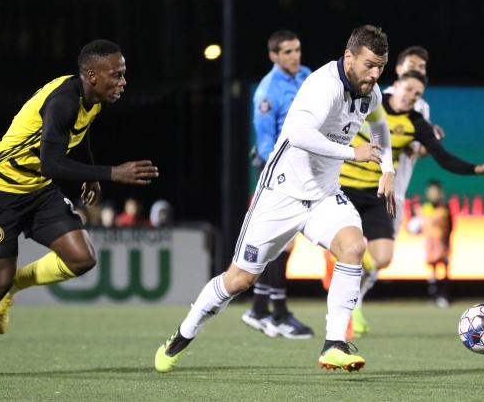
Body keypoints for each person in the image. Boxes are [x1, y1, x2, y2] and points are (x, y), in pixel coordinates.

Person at [155, 25, 396, 373]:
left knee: (354, 246)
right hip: (281, 193)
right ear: (349, 57)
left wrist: (387, 168)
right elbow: (298, 135)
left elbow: (380, 125)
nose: (375, 75)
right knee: (239, 280)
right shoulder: (322, 84)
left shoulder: (369, 93)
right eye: (370, 65)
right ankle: (183, 335)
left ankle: (334, 344)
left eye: (381, 67)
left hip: (324, 196)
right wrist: (351, 153)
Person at [0, 39, 159, 358]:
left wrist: (89, 171)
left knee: (82, 258)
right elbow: (51, 162)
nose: (123, 82)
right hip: (0, 187)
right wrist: (110, 173)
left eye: (123, 74)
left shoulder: (94, 99)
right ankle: (4, 287)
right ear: (92, 75)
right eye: (116, 75)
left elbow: (79, 133)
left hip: (37, 187)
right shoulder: (63, 100)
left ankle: (12, 287)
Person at [338, 70, 484, 331]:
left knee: (383, 259)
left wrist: (476, 169)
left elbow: (443, 157)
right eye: (408, 90)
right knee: (351, 246)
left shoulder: (415, 123)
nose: (411, 97)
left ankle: (349, 276)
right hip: (343, 187)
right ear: (395, 86)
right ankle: (345, 298)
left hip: (377, 193)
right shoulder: (368, 101)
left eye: (417, 94)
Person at [242, 29, 314, 339]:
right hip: (279, 172)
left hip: (304, 169)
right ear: (274, 56)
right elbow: (267, 142)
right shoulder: (266, 92)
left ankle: (260, 309)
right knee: (278, 242)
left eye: (297, 50)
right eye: (287, 52)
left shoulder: (307, 76)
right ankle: (278, 313)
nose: (294, 56)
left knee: (283, 242)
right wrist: (280, 174)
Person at [408, 180, 453, 307]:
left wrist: (447, 242)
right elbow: (417, 225)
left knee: (444, 269)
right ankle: (434, 297)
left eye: (435, 192)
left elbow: (450, 227)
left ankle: (445, 296)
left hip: (442, 243)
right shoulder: (424, 208)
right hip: (430, 244)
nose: (432, 195)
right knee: (432, 270)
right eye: (430, 192)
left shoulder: (444, 208)